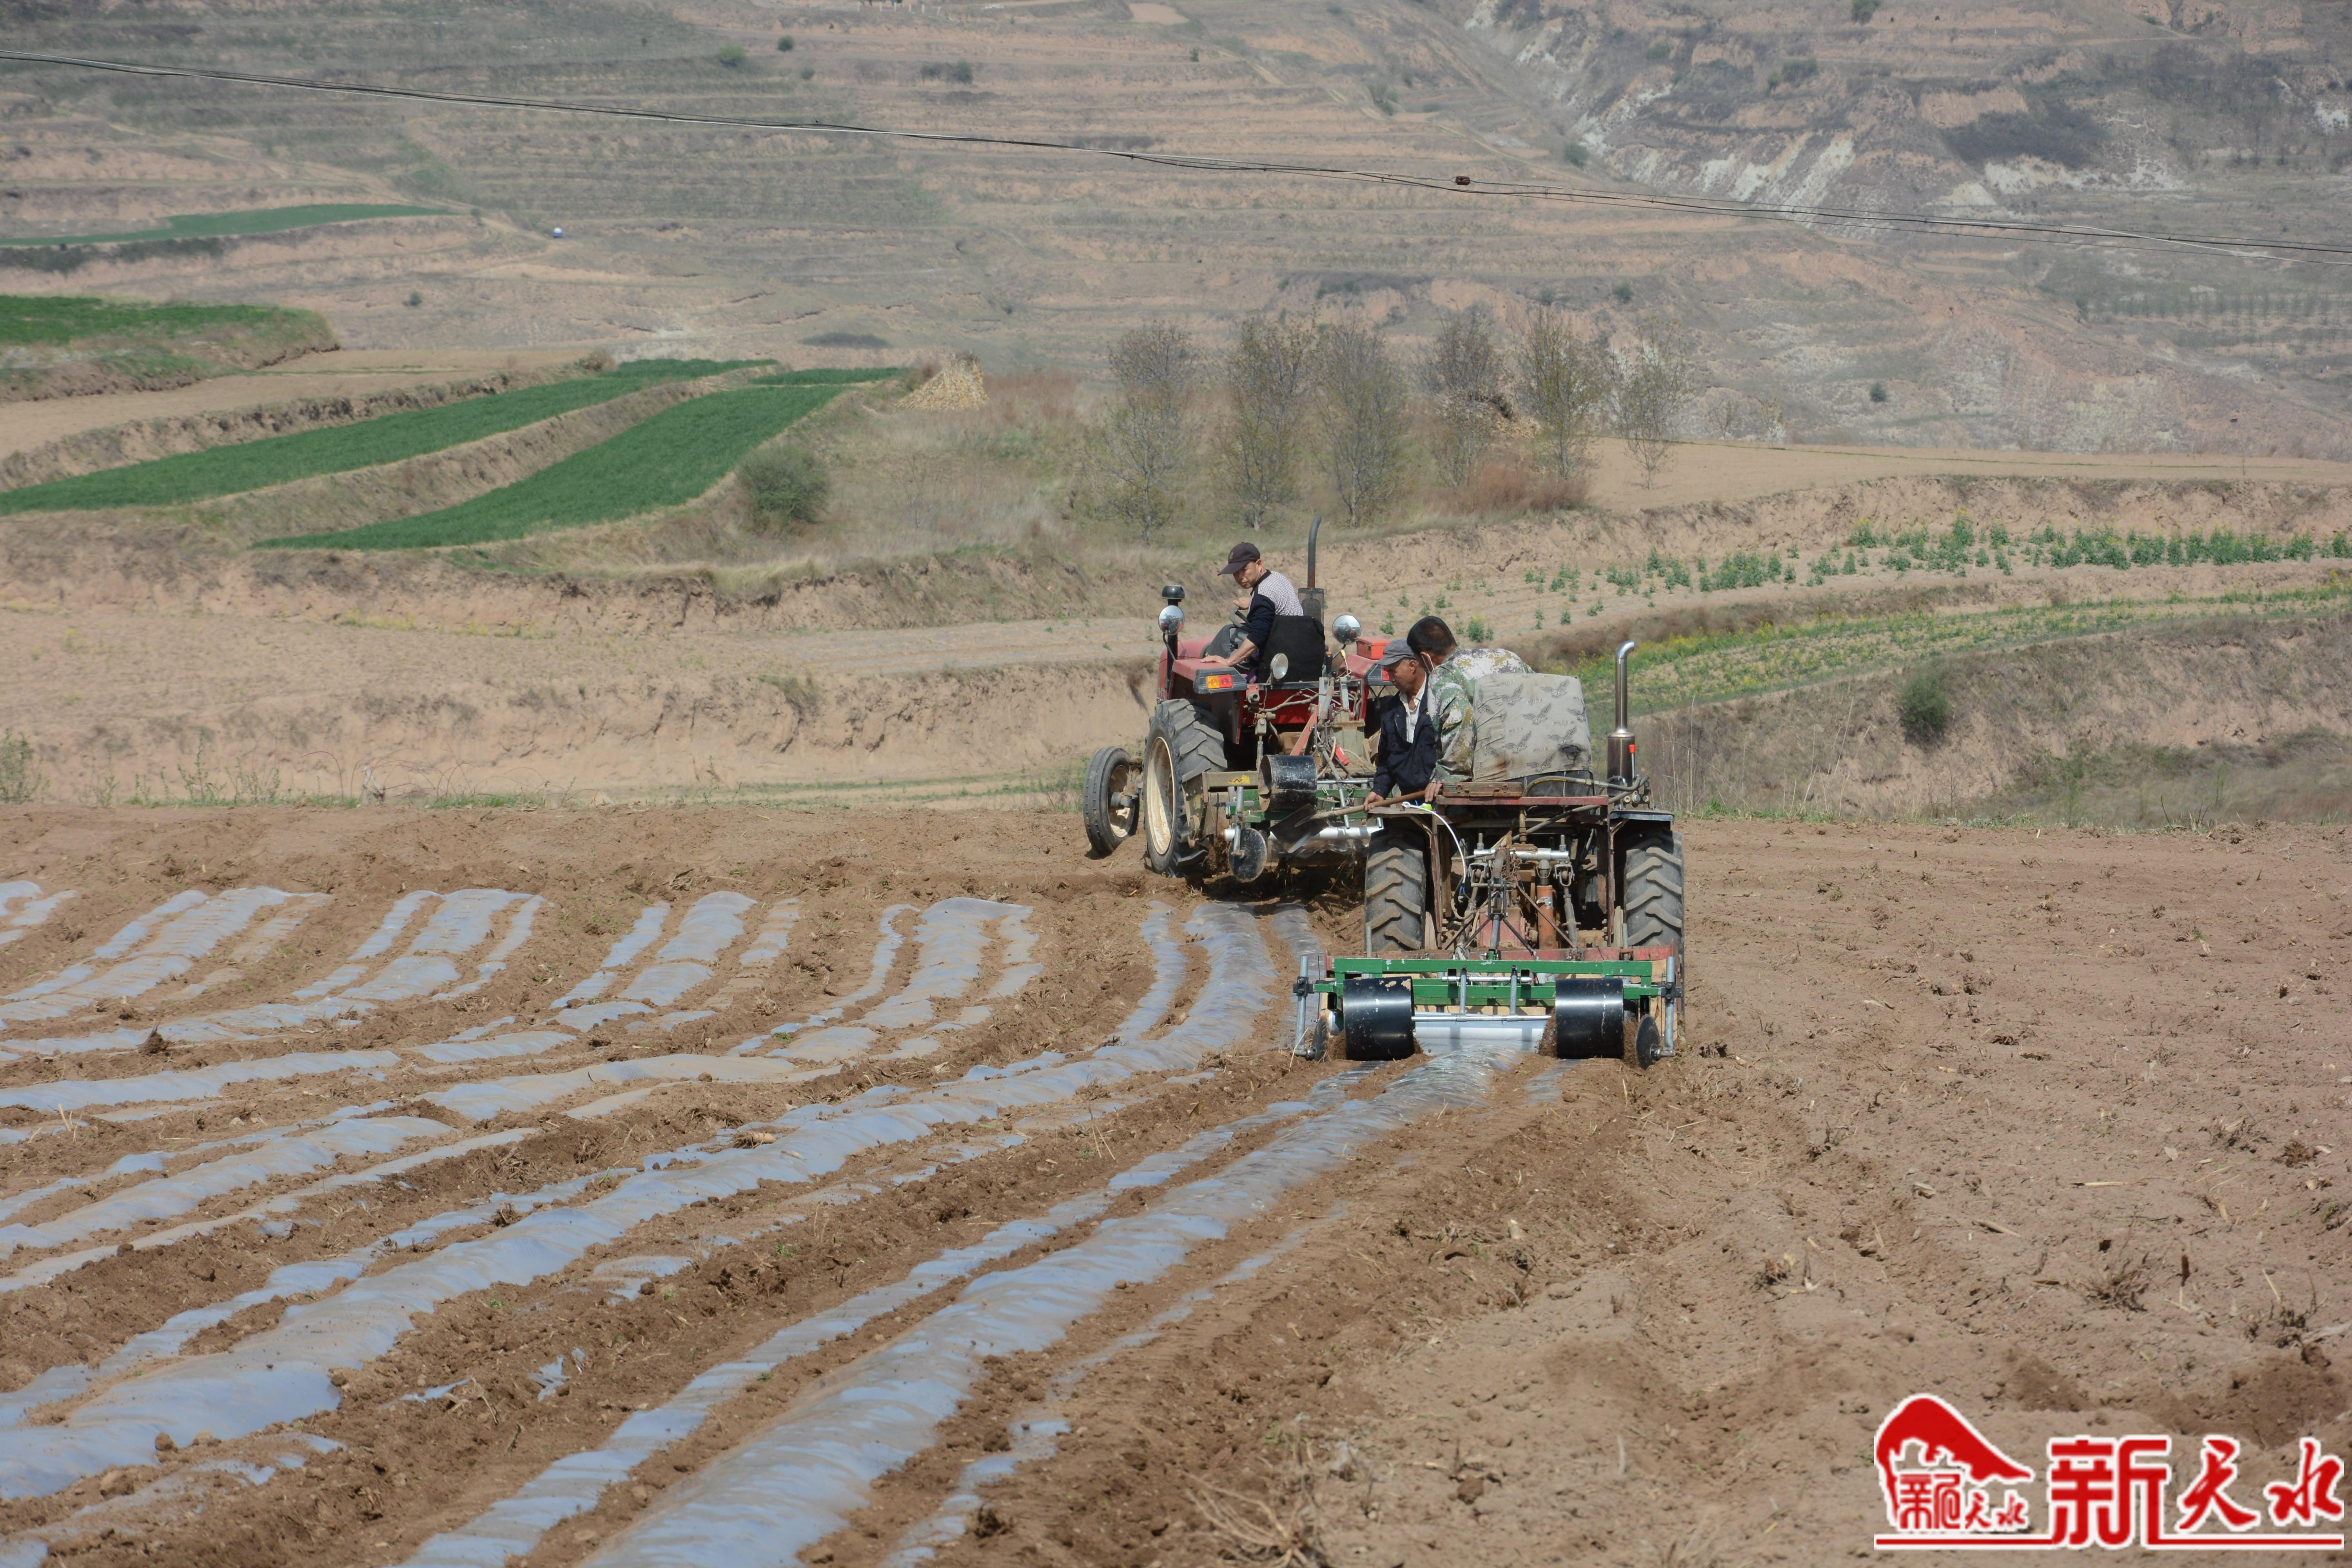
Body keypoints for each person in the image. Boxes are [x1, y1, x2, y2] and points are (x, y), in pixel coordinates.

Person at [1195, 540, 1302, 681]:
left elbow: (1257, 637)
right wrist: (1252, 603)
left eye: (1244, 569)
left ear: (1259, 564)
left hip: (1277, 661)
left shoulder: (1263, 595)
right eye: (1235, 572)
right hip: (1295, 649)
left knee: (1233, 657)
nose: (1240, 577)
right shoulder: (1277, 578)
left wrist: (1229, 662)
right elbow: (1274, 607)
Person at [1364, 640, 1441, 806]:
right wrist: (1379, 790)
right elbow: (1387, 760)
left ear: (1412, 666)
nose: (1390, 678)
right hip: (1410, 801)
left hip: (1442, 799)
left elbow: (1455, 751)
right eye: (1387, 672)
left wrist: (1441, 778)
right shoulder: (1392, 711)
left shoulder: (1440, 699)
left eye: (1393, 671)